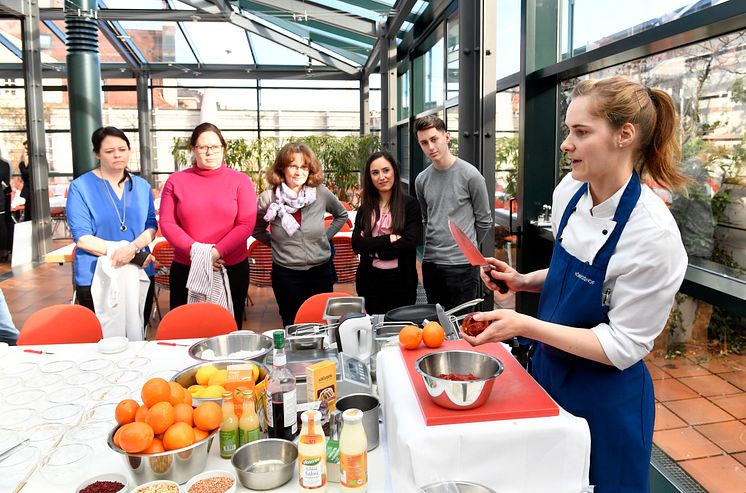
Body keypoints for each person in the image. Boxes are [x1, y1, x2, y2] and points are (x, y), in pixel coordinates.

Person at [465, 76, 688, 492]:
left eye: (581, 132)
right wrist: (522, 280)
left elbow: (623, 346)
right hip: (549, 373)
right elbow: (575, 273)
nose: (566, 144)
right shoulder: (571, 191)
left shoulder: (653, 234)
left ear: (625, 135)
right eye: (569, 130)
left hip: (604, 398)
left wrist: (523, 326)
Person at [159, 122, 257, 329]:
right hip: (187, 267)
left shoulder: (240, 181)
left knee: (227, 329)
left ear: (223, 147)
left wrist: (214, 253)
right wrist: (198, 254)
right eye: (203, 147)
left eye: (214, 146)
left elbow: (246, 223)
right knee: (186, 330)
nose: (209, 152)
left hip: (231, 267)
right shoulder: (176, 181)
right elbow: (167, 223)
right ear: (194, 149)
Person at [67, 126, 158, 336]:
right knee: (102, 338)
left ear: (129, 150)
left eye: (122, 149)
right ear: (97, 153)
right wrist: (132, 254)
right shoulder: (81, 187)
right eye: (109, 151)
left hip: (140, 271)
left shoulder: (142, 186)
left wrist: (133, 250)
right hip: (94, 273)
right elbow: (82, 238)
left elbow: (151, 226)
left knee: (137, 333)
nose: (117, 155)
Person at [254, 142, 348, 327]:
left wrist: (325, 236)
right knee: (292, 323)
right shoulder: (268, 198)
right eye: (293, 166)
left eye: (304, 167)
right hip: (286, 275)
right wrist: (276, 244)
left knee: (323, 323)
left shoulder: (320, 193)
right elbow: (256, 229)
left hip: (320, 271)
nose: (299, 172)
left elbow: (341, 215)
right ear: (282, 168)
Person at [413, 115, 492, 310]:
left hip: (463, 266)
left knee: (463, 327)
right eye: (424, 142)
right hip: (431, 264)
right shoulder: (421, 180)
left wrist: (466, 248)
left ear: (447, 137)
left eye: (434, 139)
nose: (430, 147)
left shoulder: (471, 175)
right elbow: (426, 219)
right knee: (436, 326)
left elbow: (484, 221)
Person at [351, 151, 422, 314]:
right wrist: (389, 238)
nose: (381, 177)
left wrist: (373, 250)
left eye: (385, 170)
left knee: (402, 331)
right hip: (370, 282)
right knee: (375, 327)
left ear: (394, 172)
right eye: (375, 173)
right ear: (369, 177)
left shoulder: (410, 205)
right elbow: (357, 245)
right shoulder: (365, 208)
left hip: (402, 282)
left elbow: (409, 243)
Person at [0, 147, 12, 261]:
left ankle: (3, 250)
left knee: (2, 224)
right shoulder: (5, 164)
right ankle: (4, 250)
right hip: (2, 197)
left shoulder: (3, 165)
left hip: (1, 199)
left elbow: (5, 183)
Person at [18, 140, 31, 222]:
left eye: (27, 148)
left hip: (31, 193)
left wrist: (22, 163)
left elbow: (27, 175)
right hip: (29, 193)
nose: (26, 151)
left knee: (29, 215)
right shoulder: (30, 161)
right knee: (28, 214)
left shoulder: (35, 161)